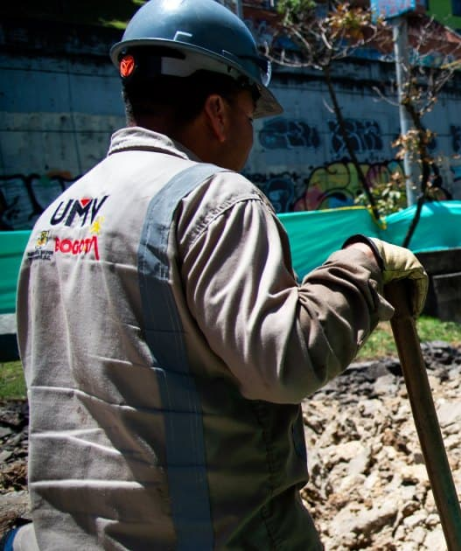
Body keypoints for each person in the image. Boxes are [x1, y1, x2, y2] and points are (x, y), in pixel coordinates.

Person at [7, 1, 427, 549]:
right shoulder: (213, 198)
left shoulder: (58, 214)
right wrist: (362, 268)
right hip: (212, 534)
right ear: (218, 111)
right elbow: (283, 360)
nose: (249, 136)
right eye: (250, 116)